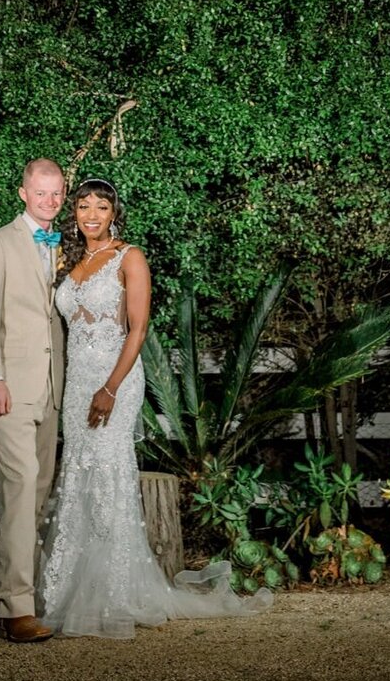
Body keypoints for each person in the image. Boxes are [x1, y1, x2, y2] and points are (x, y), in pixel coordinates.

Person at [37, 176, 271, 638]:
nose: (91, 215)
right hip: (76, 383)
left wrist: (109, 388)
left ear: (114, 213)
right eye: (83, 206)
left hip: (115, 381)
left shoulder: (131, 257)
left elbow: (138, 330)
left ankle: (115, 592)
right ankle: (71, 588)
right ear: (75, 214)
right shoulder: (67, 259)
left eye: (101, 207)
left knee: (108, 476)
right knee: (80, 475)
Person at [0, 157, 66, 643]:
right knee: (22, 484)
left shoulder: (62, 245)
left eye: (56, 194)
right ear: (23, 193)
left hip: (52, 391)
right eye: (40, 192)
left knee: (36, 492)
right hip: (10, 389)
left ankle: (23, 594)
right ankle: (14, 609)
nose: (49, 202)